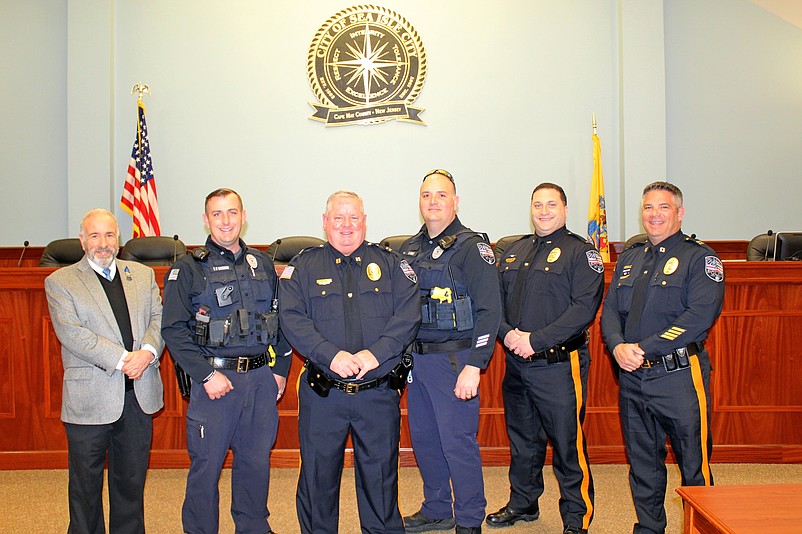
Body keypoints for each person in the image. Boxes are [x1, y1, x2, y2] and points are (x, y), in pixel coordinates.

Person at [279, 190, 420, 533]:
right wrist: (332, 355)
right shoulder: (303, 265)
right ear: (325, 222)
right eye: (338, 217)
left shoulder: (391, 264)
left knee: (381, 478)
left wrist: (376, 353)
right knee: (317, 477)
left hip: (377, 392)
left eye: (353, 217)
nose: (346, 225)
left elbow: (408, 315)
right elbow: (292, 319)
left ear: (365, 221)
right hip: (324, 393)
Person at [161, 188, 292, 534]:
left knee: (255, 463)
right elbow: (173, 330)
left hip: (260, 381)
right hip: (216, 383)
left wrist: (278, 372)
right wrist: (205, 376)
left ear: (243, 216)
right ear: (205, 220)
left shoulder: (262, 264)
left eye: (232, 213)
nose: (225, 221)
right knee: (206, 466)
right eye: (217, 214)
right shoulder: (188, 269)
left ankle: (253, 527)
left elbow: (280, 321)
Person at [600, 181, 725, 534]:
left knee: (694, 464)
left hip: (680, 378)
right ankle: (650, 528)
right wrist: (617, 345)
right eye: (648, 208)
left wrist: (643, 348)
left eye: (663, 207)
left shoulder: (700, 258)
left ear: (680, 213)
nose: (654, 215)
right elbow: (610, 311)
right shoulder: (631, 257)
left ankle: (701, 529)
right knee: (642, 463)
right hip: (633, 378)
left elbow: (698, 317)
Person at [488, 183, 603, 534]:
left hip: (558, 365)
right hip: (517, 363)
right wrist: (507, 334)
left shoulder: (581, 253)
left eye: (551, 204)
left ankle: (576, 518)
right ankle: (523, 503)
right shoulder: (514, 250)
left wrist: (535, 341)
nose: (543, 211)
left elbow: (583, 308)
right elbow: (494, 301)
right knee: (523, 440)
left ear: (565, 209)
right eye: (537, 204)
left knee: (568, 444)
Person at [44, 208, 164, 534]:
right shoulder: (60, 281)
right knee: (85, 488)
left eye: (109, 235)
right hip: (90, 399)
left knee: (130, 484)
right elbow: (72, 334)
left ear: (119, 239)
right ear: (82, 240)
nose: (103, 242)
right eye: (94, 235)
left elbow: (159, 320)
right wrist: (126, 358)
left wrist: (149, 352)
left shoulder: (141, 275)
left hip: (137, 397)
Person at [399, 169, 502, 534]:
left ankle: (470, 519)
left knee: (457, 443)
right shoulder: (409, 248)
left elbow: (491, 311)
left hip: (455, 361)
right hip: (419, 361)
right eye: (426, 195)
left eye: (441, 195)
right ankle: (437, 507)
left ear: (455, 201)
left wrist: (475, 365)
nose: (433, 202)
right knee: (426, 440)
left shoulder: (472, 248)